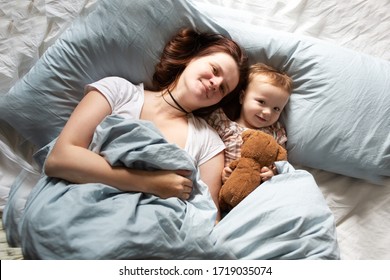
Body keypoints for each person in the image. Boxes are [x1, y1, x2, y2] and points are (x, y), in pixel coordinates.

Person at [44, 28, 248, 222]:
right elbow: (58, 159)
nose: (215, 83)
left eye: (223, 88)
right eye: (214, 70)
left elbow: (209, 219)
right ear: (193, 58)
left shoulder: (208, 142)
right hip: (78, 207)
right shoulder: (118, 92)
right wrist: (150, 183)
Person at [205, 62, 292, 184]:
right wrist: (222, 175)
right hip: (225, 187)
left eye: (276, 109)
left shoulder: (275, 131)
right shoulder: (222, 123)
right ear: (242, 97)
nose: (267, 112)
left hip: (261, 190)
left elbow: (283, 163)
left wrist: (274, 174)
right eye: (261, 102)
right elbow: (204, 149)